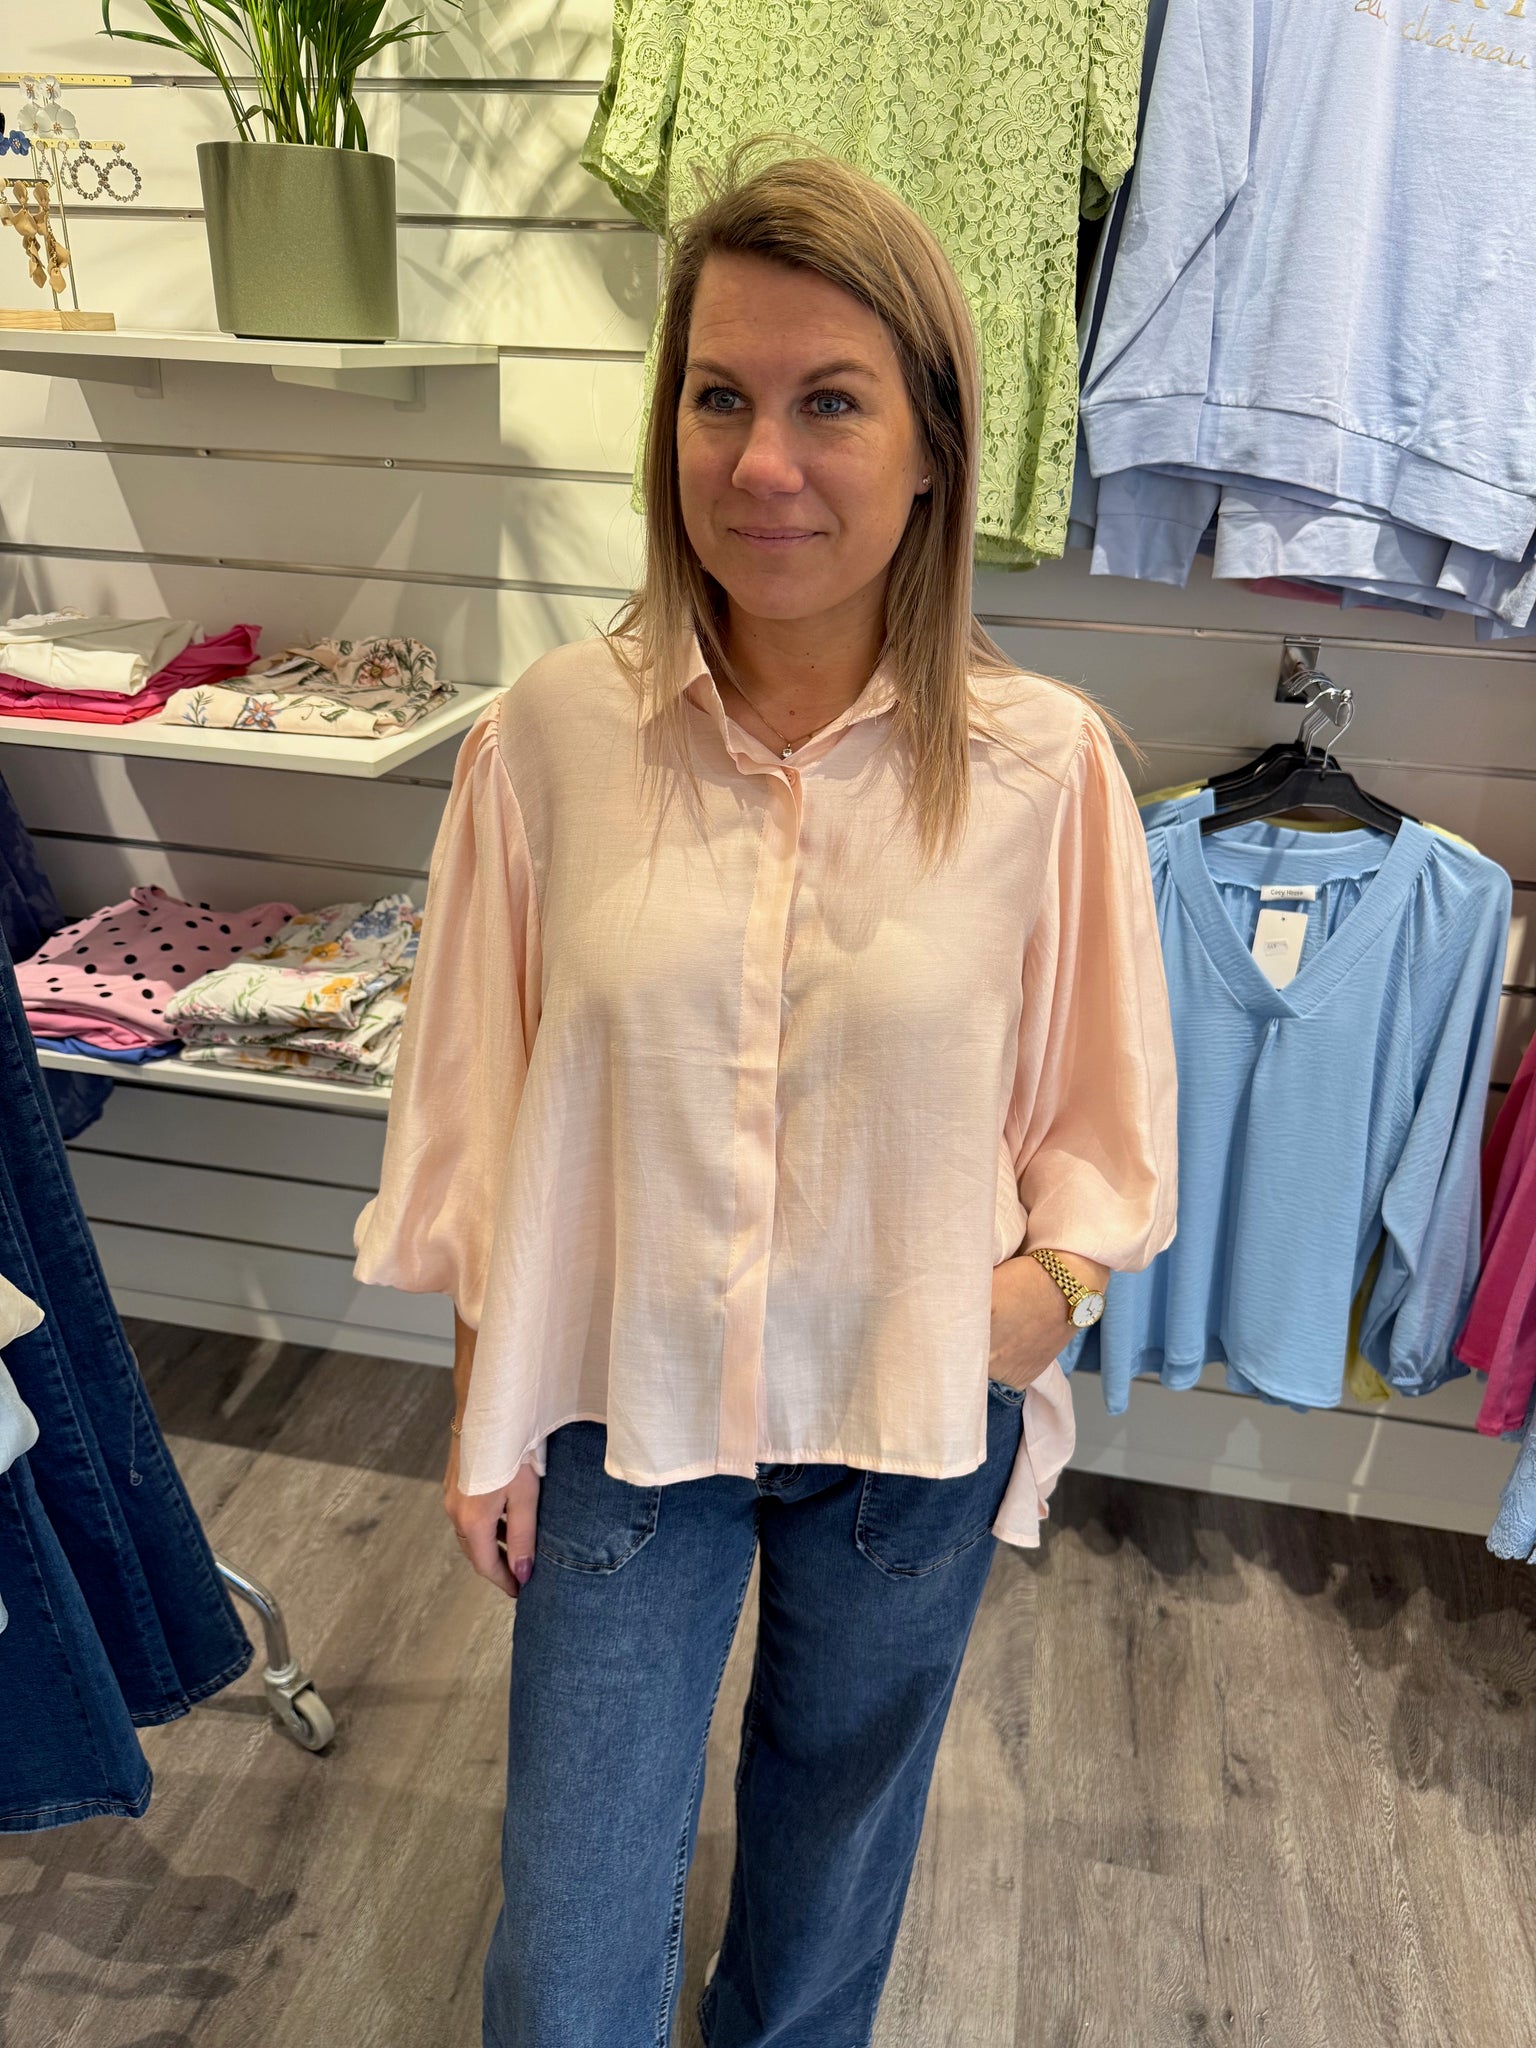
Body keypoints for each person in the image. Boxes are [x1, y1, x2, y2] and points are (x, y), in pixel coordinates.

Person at [354, 142, 1178, 2048]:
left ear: (935, 444)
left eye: (831, 403)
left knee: (824, 1896)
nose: (762, 463)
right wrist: (484, 1403)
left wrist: (1040, 1300)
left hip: (911, 1421)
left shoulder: (1045, 768)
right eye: (719, 397)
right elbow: (476, 1106)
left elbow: (1104, 1117)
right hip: (619, 1405)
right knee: (569, 1954)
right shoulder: (552, 737)